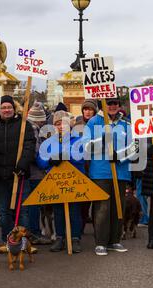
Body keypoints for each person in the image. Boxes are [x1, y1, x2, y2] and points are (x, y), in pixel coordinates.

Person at [83, 98, 137, 256]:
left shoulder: (126, 124)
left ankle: (115, 240)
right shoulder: (93, 122)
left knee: (118, 207)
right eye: (109, 103)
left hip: (120, 173)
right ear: (104, 106)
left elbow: (135, 146)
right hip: (100, 172)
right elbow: (85, 145)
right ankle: (100, 242)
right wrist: (103, 141)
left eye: (115, 104)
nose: (112, 106)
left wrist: (119, 156)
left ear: (119, 106)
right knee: (102, 208)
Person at [0, 95, 36, 254]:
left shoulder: (24, 125)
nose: (6, 110)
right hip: (0, 176)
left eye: (9, 107)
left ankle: (24, 243)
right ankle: (7, 241)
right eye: (3, 107)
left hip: (19, 175)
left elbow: (30, 147)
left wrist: (21, 166)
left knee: (22, 211)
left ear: (14, 108)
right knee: (4, 210)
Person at [37, 110, 84, 253]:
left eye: (63, 123)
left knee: (74, 210)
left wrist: (65, 155)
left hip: (73, 181)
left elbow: (81, 156)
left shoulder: (78, 139)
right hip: (57, 182)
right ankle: (60, 237)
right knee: (58, 211)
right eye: (57, 124)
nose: (60, 126)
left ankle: (75, 238)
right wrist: (50, 160)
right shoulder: (49, 142)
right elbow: (41, 160)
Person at [26, 102, 52, 245]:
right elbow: (37, 152)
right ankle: (34, 233)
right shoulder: (34, 130)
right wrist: (46, 162)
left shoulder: (27, 128)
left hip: (30, 171)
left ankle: (31, 231)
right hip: (35, 172)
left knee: (30, 204)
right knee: (34, 204)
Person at [74, 99, 98, 232]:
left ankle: (98, 229)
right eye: (85, 109)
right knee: (83, 201)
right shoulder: (77, 126)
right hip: (83, 166)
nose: (88, 112)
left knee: (98, 200)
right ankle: (80, 228)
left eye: (90, 109)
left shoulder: (100, 124)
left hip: (97, 165)